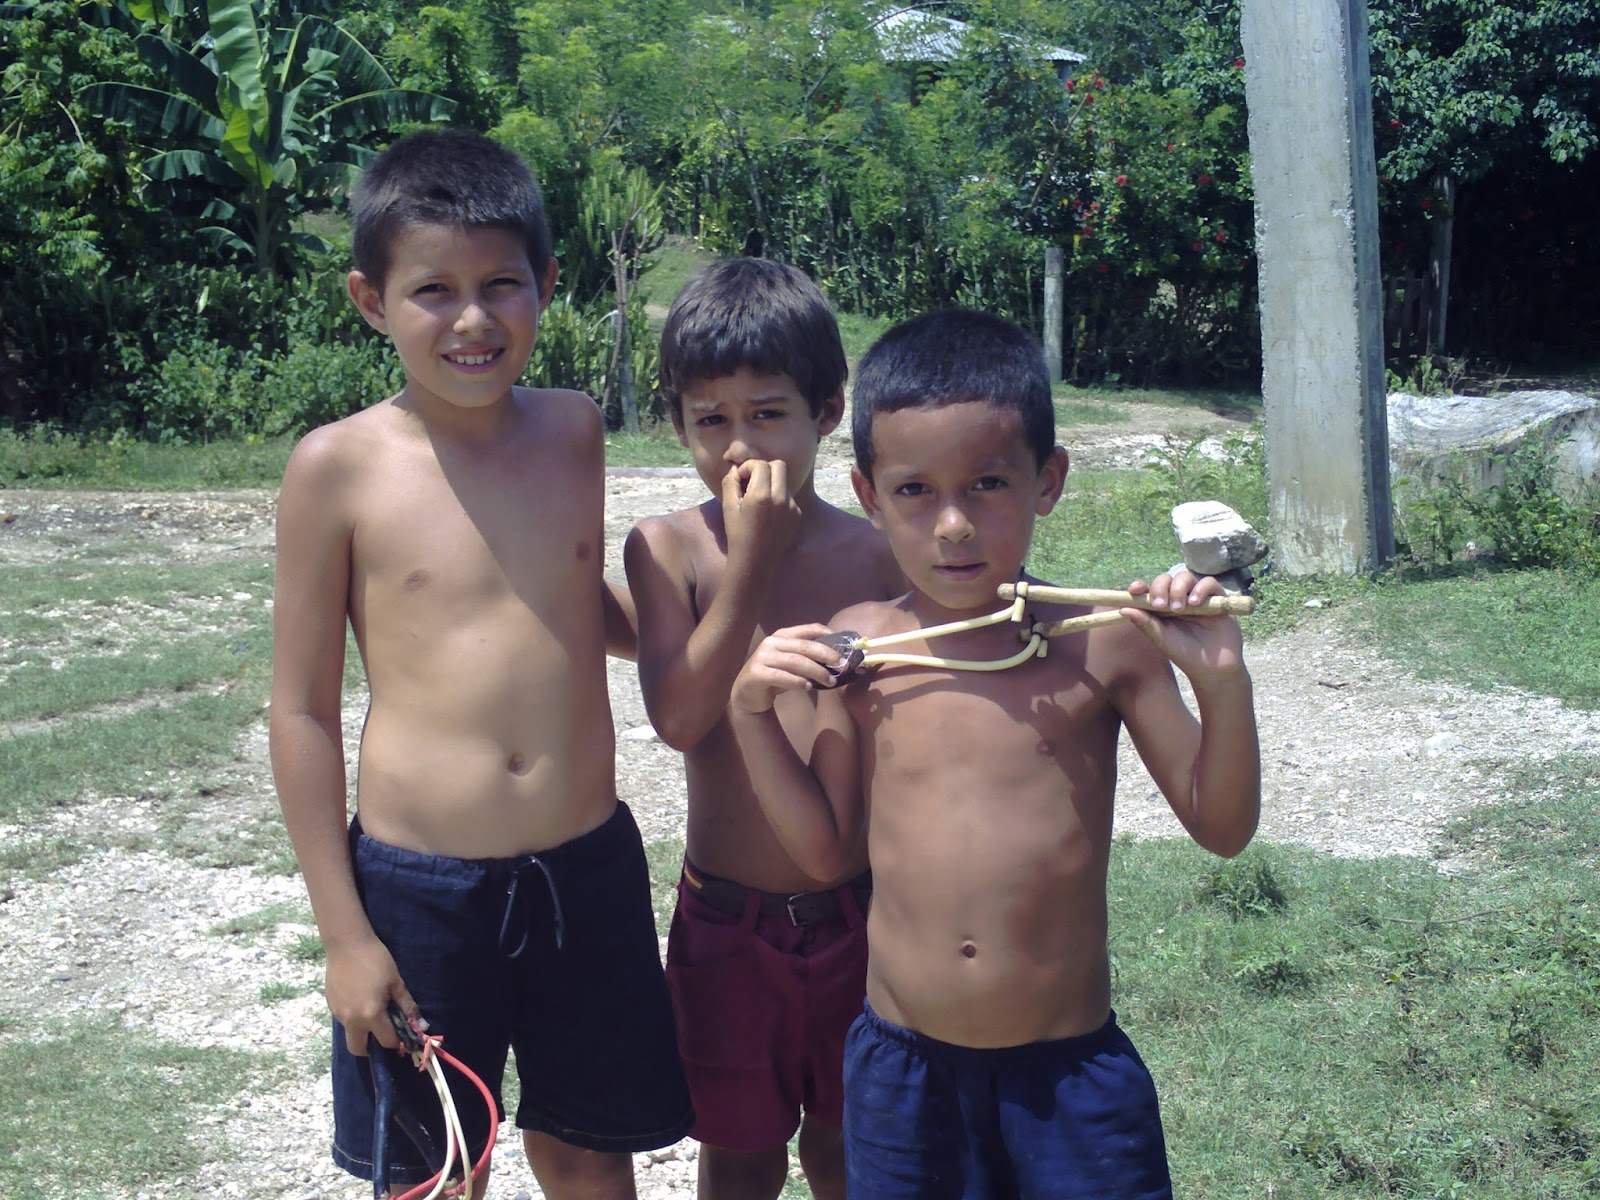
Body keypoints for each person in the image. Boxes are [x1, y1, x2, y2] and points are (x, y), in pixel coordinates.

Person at [729, 309, 1261, 1199]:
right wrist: (751, 714)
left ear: (1047, 479)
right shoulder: (863, 651)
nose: (952, 527)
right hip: (904, 1075)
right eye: (913, 491)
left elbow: (1223, 828)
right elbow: (824, 853)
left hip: (1070, 1078)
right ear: (868, 494)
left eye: (986, 483)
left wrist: (1221, 683)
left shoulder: (1106, 643)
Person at [268, 127, 691, 1200]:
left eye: (501, 285)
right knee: (434, 1168)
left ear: (546, 286)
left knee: (590, 1150)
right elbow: (303, 714)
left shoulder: (574, 431)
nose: (472, 319)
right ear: (371, 301)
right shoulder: (336, 469)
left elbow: (560, 596)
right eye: (432, 291)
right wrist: (344, 937)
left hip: (584, 870)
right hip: (422, 892)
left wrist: (701, 614)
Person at [623, 258, 903, 1199]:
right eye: (711, 420)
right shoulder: (669, 548)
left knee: (849, 1150)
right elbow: (679, 716)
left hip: (867, 915)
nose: (739, 447)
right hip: (727, 926)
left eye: (767, 414)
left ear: (828, 410)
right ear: (678, 422)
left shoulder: (879, 552)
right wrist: (751, 563)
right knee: (738, 1160)